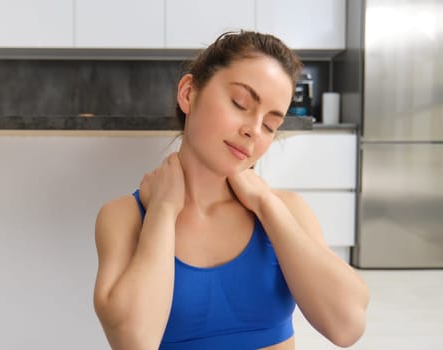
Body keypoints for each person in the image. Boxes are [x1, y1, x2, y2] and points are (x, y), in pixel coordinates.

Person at [92, 31, 369, 350]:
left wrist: (266, 204)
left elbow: (347, 325)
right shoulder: (125, 217)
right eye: (240, 103)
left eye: (270, 126)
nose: (253, 130)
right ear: (188, 93)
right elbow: (134, 341)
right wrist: (164, 211)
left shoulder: (285, 209)